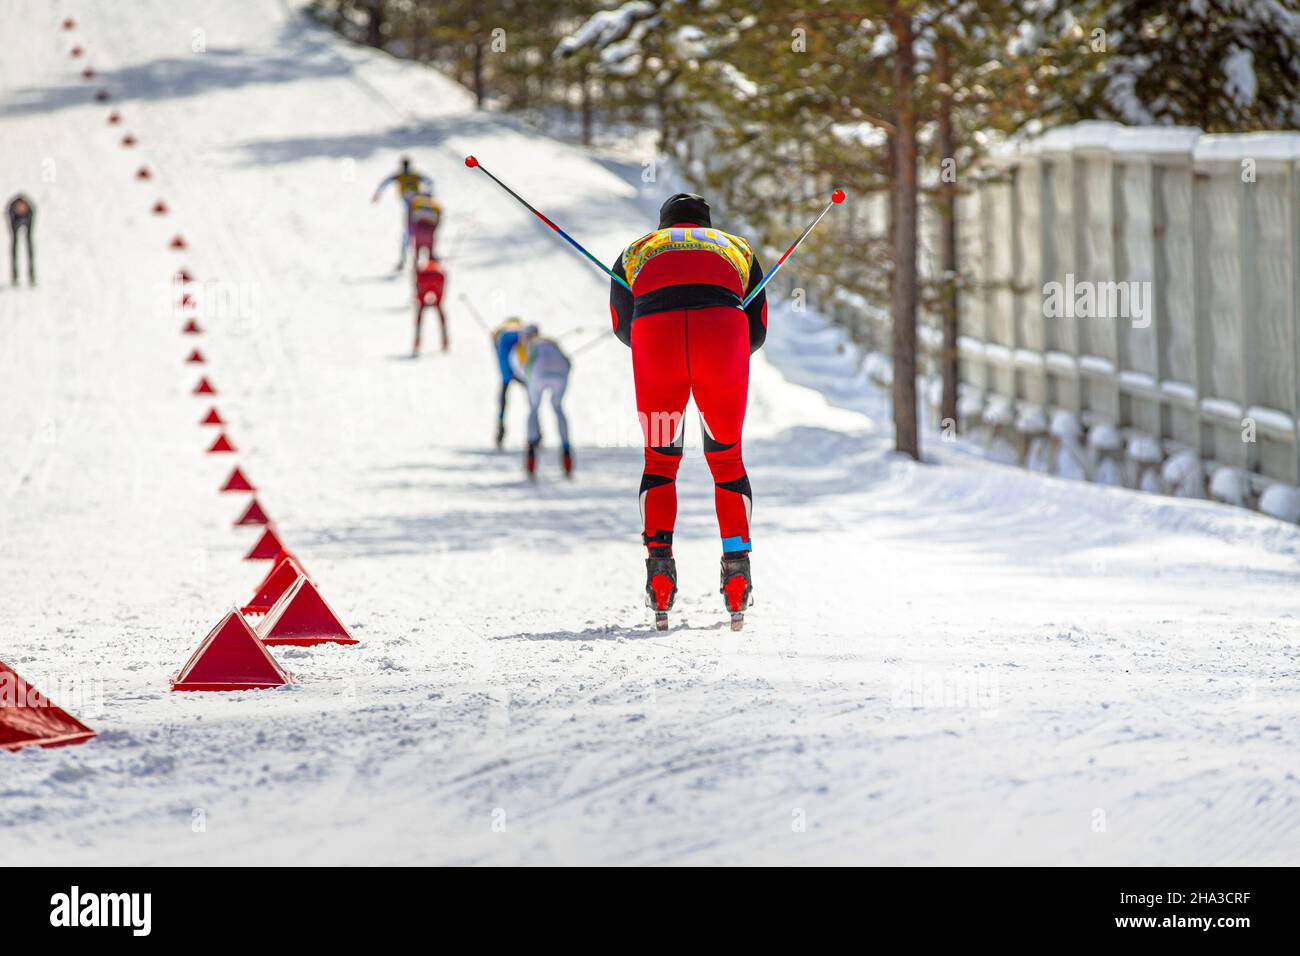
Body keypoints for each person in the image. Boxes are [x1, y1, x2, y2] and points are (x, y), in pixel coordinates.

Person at [609, 193, 768, 631]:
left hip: (655, 340)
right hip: (722, 337)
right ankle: (736, 573)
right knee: (727, 459)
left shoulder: (637, 249)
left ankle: (659, 571)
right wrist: (723, 360)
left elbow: (622, 324)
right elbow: (757, 329)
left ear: (664, 225)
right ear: (707, 223)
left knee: (660, 460)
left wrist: (660, 351)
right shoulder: (736, 247)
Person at [509, 324, 573, 479]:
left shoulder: (522, 347)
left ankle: (531, 456)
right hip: (561, 373)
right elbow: (568, 363)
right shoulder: (551, 342)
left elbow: (519, 370)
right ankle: (566, 453)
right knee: (557, 407)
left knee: (533, 408)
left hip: (537, 375)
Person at [371, 157, 433, 270]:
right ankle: (413, 257)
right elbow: (429, 182)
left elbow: (384, 183)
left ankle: (410, 258)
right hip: (414, 204)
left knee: (412, 230)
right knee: (414, 229)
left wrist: (377, 194)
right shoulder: (409, 175)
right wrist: (428, 194)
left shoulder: (406, 175)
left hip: (414, 204)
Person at [491, 318, 524, 449]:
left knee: (503, 402)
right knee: (533, 402)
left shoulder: (501, 335)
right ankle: (537, 432)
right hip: (521, 370)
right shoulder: (521, 333)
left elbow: (497, 352)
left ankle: (500, 430)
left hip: (506, 371)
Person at [412, 254, 448, 356]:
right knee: (440, 312)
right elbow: (443, 286)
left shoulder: (423, 267)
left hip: (423, 279)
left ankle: (417, 342)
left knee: (420, 313)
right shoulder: (440, 270)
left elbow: (417, 282)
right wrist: (439, 300)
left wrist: (419, 298)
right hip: (438, 280)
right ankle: (445, 341)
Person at [7, 194, 35, 286]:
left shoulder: (30, 210)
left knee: (29, 244)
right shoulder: (11, 210)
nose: (21, 209)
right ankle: (15, 276)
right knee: (14, 244)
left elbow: (29, 233)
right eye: (19, 208)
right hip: (15, 223)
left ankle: (32, 276)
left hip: (27, 222)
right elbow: (12, 230)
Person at [407, 192, 442, 263]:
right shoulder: (435, 204)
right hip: (429, 229)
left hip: (419, 229)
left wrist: (411, 230)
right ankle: (431, 264)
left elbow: (410, 217)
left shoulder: (416, 202)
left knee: (417, 249)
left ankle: (416, 265)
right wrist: (434, 229)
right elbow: (438, 217)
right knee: (430, 250)